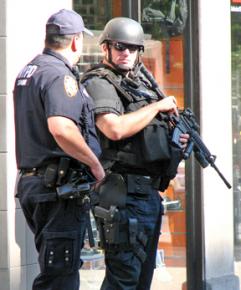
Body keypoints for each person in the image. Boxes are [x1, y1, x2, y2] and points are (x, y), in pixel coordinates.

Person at [81, 17, 189, 290]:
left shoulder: (140, 86)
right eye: (119, 46)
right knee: (124, 278)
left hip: (148, 195)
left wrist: (177, 140)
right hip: (121, 194)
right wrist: (157, 108)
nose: (125, 52)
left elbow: (148, 140)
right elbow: (114, 129)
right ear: (106, 48)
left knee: (142, 279)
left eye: (132, 47)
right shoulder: (98, 82)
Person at [13, 9, 105, 290]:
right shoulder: (58, 75)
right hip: (56, 189)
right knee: (60, 278)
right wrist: (95, 165)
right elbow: (61, 128)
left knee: (56, 271)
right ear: (75, 41)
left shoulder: (31, 70)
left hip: (37, 185)